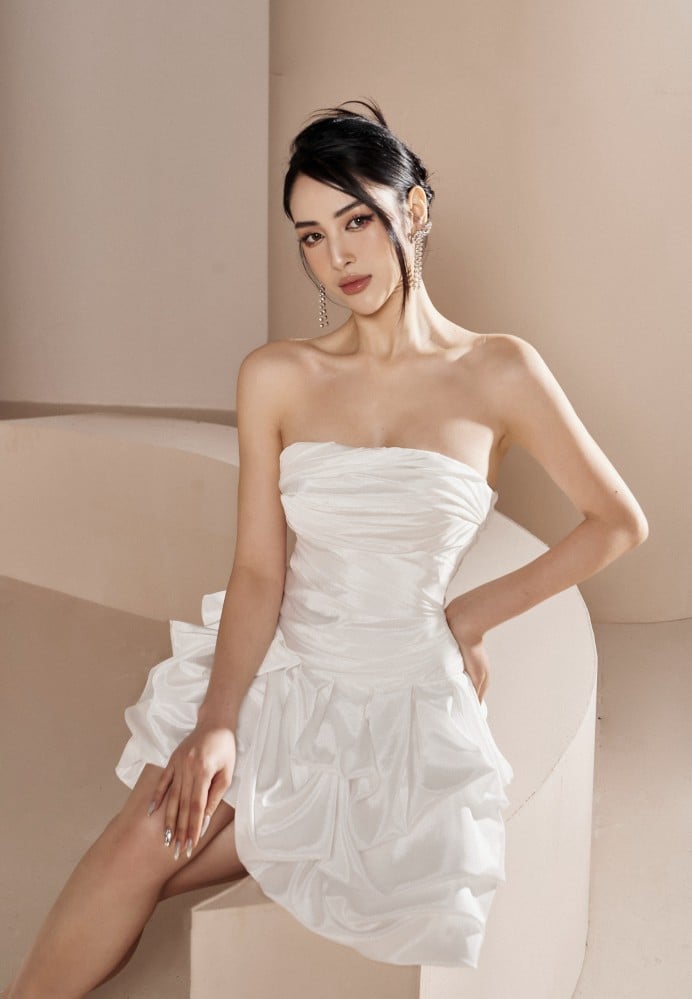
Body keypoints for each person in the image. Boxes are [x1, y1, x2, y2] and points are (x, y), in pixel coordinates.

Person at [6, 101, 648, 997]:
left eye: (356, 220)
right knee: (140, 839)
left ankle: (281, 820)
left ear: (411, 210)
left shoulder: (499, 370)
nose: (338, 256)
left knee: (203, 851)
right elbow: (257, 570)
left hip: (403, 689)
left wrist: (471, 615)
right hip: (286, 659)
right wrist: (218, 721)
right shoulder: (279, 375)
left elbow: (617, 521)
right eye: (311, 235)